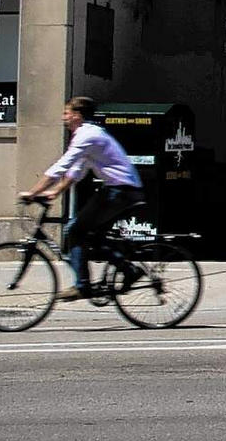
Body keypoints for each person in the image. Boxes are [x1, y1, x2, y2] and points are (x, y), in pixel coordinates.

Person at [20, 96, 143, 301]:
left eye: (66, 113)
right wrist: (54, 192)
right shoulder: (90, 135)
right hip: (123, 189)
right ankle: (128, 269)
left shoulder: (87, 135)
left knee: (75, 231)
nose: (63, 118)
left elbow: (62, 166)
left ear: (77, 115)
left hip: (120, 191)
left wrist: (33, 192)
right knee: (93, 236)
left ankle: (82, 285)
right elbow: (76, 171)